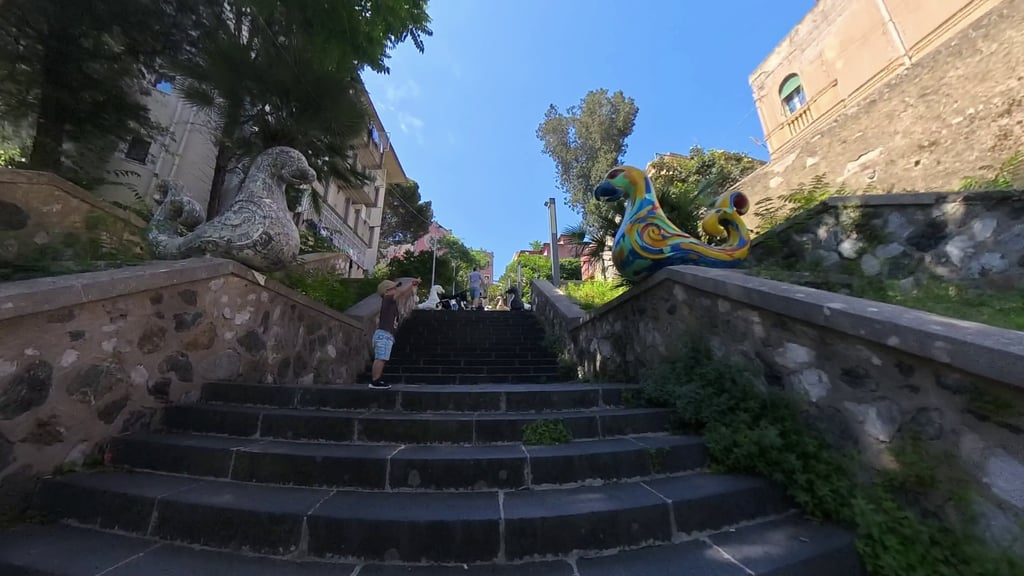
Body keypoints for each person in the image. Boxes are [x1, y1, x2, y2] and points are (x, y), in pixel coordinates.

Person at [370, 277, 420, 389]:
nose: (396, 290)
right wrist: (411, 284)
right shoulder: (387, 299)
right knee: (381, 357)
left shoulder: (391, 303)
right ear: (386, 291)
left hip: (386, 335)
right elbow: (401, 293)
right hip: (384, 334)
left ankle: (376, 379)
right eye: (394, 288)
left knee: (382, 357)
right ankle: (375, 381)